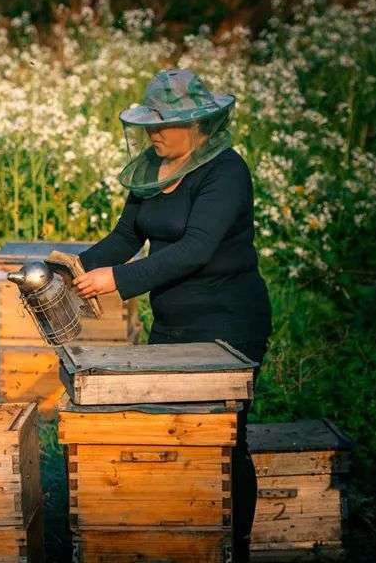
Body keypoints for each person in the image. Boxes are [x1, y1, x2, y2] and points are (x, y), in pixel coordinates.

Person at [73, 69, 271, 561]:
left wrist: (118, 281)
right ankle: (184, 538)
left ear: (199, 123)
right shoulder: (149, 168)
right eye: (148, 126)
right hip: (172, 324)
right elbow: (126, 238)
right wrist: (74, 266)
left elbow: (196, 249)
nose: (153, 135)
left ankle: (234, 548)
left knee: (225, 437)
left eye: (164, 126)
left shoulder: (226, 171)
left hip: (227, 323)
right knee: (175, 433)